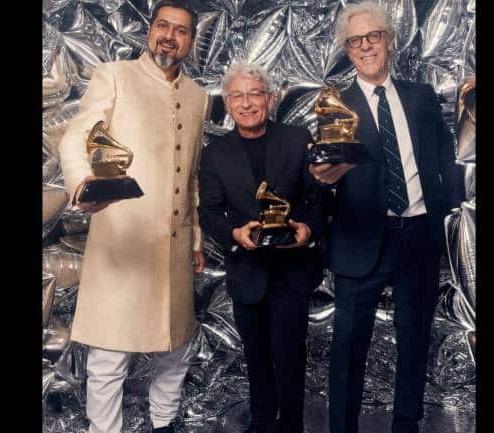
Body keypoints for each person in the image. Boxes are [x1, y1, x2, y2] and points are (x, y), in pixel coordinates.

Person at [308, 2, 465, 433]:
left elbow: (444, 158)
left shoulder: (420, 96)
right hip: (360, 240)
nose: (364, 47)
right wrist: (322, 182)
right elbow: (323, 175)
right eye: (355, 41)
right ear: (347, 49)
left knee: (415, 340)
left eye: (372, 37)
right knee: (348, 346)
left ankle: (406, 425)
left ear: (389, 41)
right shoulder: (335, 104)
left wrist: (447, 216)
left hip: (418, 235)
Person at [58, 2, 208, 432]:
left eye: (180, 30)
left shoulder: (198, 96)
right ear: (150, 30)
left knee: (176, 346)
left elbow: (191, 176)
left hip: (174, 245)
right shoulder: (116, 75)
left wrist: (195, 240)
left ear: (191, 42)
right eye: (163, 25)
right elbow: (78, 137)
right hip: (122, 239)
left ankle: (164, 424)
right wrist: (83, 187)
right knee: (110, 353)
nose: (169, 35)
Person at [197, 61, 325, 433]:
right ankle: (262, 424)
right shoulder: (216, 153)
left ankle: (293, 426)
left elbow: (318, 198)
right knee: (256, 358)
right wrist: (235, 232)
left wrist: (308, 228)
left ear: (270, 99)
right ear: (227, 102)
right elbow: (209, 212)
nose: (247, 103)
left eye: (255, 94)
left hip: (292, 270)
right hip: (247, 273)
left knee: (290, 357)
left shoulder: (298, 138)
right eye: (237, 96)